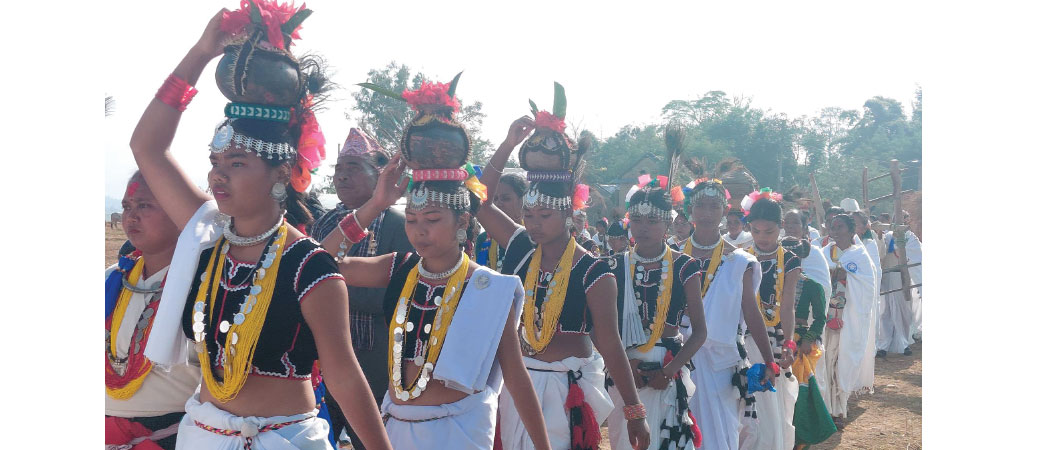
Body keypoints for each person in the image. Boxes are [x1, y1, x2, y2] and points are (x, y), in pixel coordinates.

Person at [134, 7, 391, 449]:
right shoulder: (207, 235)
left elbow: (345, 376)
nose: (218, 175)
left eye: (237, 163)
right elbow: (147, 146)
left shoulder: (311, 267)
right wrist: (200, 53)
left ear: (281, 172)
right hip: (202, 435)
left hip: (282, 440)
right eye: (215, 162)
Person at [478, 89, 650, 450]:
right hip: (517, 384)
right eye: (528, 215)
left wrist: (634, 410)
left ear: (568, 215)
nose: (534, 224)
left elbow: (610, 343)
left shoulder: (593, 271)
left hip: (567, 388)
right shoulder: (521, 245)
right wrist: (508, 145)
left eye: (544, 216)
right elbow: (480, 201)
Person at [309, 128, 413, 449]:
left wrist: (329, 298)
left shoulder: (399, 224)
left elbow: (400, 293)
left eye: (352, 168)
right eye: (338, 169)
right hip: (324, 357)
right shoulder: (325, 223)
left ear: (378, 176)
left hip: (376, 360)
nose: (342, 176)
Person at [603, 173, 707, 450]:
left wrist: (669, 371)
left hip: (668, 366)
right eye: (637, 220)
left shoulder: (685, 266)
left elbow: (699, 332)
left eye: (652, 221)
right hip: (623, 366)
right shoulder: (612, 266)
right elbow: (597, 328)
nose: (643, 228)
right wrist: (625, 365)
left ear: (667, 223)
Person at [678, 179, 776, 450]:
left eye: (714, 206)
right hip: (676, 356)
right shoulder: (673, 255)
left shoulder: (738, 261)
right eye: (701, 206)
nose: (707, 213)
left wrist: (769, 360)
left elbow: (751, 312)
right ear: (690, 209)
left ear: (724, 210)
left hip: (719, 361)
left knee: (719, 432)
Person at [106, 173, 199, 450]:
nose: (131, 216)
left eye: (144, 205)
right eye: (126, 206)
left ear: (179, 211)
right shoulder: (112, 278)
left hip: (172, 435)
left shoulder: (204, 285)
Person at [738, 189, 802, 450]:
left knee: (769, 405)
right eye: (756, 231)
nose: (762, 238)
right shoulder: (740, 256)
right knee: (744, 405)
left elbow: (787, 306)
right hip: (742, 340)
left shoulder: (790, 260)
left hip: (773, 341)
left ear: (781, 227)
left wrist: (789, 343)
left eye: (769, 232)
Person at [820, 214, 879, 430]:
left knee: (842, 362)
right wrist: (831, 276)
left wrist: (845, 276)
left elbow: (867, 287)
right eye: (832, 227)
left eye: (840, 227)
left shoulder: (860, 256)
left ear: (852, 231)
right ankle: (825, 408)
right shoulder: (824, 252)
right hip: (826, 318)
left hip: (848, 319)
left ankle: (839, 409)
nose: (835, 231)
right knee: (826, 359)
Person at [779, 237, 836, 448]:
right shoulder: (771, 282)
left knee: (797, 393)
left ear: (800, 258)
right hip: (774, 338)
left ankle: (799, 440)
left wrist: (809, 339)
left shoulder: (812, 286)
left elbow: (820, 318)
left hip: (799, 343)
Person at [878, 212, 922, 355]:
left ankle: (904, 343)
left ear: (907, 221)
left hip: (902, 277)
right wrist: (879, 237)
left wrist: (901, 246)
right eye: (895, 218)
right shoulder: (887, 236)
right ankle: (883, 345)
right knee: (885, 311)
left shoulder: (911, 238)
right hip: (887, 276)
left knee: (902, 311)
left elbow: (916, 256)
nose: (898, 221)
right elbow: (881, 252)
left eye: (902, 218)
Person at [476, 172, 527, 271]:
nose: (498, 204)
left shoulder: (532, 237)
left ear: (522, 201)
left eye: (506, 199)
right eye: (494, 199)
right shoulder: (483, 239)